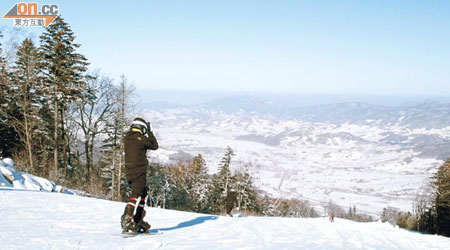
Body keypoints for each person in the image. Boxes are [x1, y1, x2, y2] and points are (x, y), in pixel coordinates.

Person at [121, 117, 158, 233]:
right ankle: (128, 218)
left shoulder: (127, 138)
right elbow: (154, 145)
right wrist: (150, 132)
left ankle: (138, 219)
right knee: (136, 193)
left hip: (129, 171)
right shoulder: (141, 138)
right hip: (139, 171)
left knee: (143, 193)